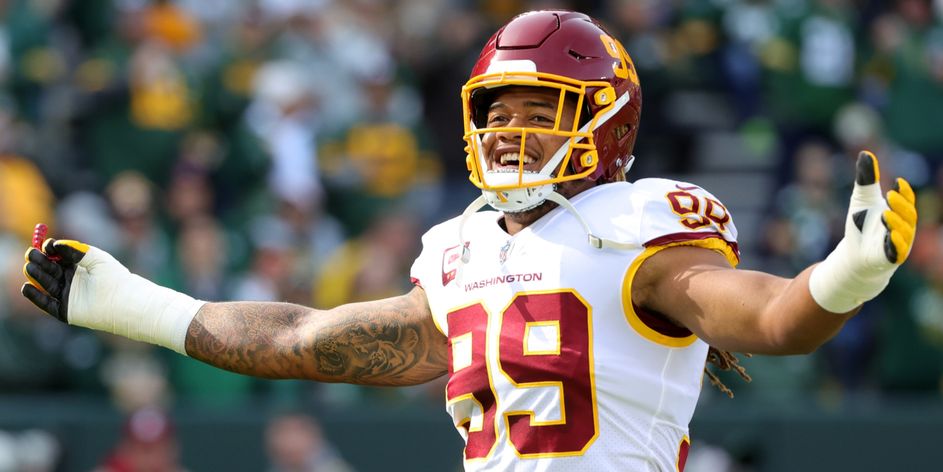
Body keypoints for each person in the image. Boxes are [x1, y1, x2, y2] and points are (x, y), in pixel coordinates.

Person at [20, 10, 917, 472]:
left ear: (605, 123)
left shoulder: (640, 229)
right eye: (498, 112)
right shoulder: (459, 254)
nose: (510, 132)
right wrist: (129, 305)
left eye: (542, 110)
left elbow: (773, 319)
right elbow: (303, 338)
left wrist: (847, 271)